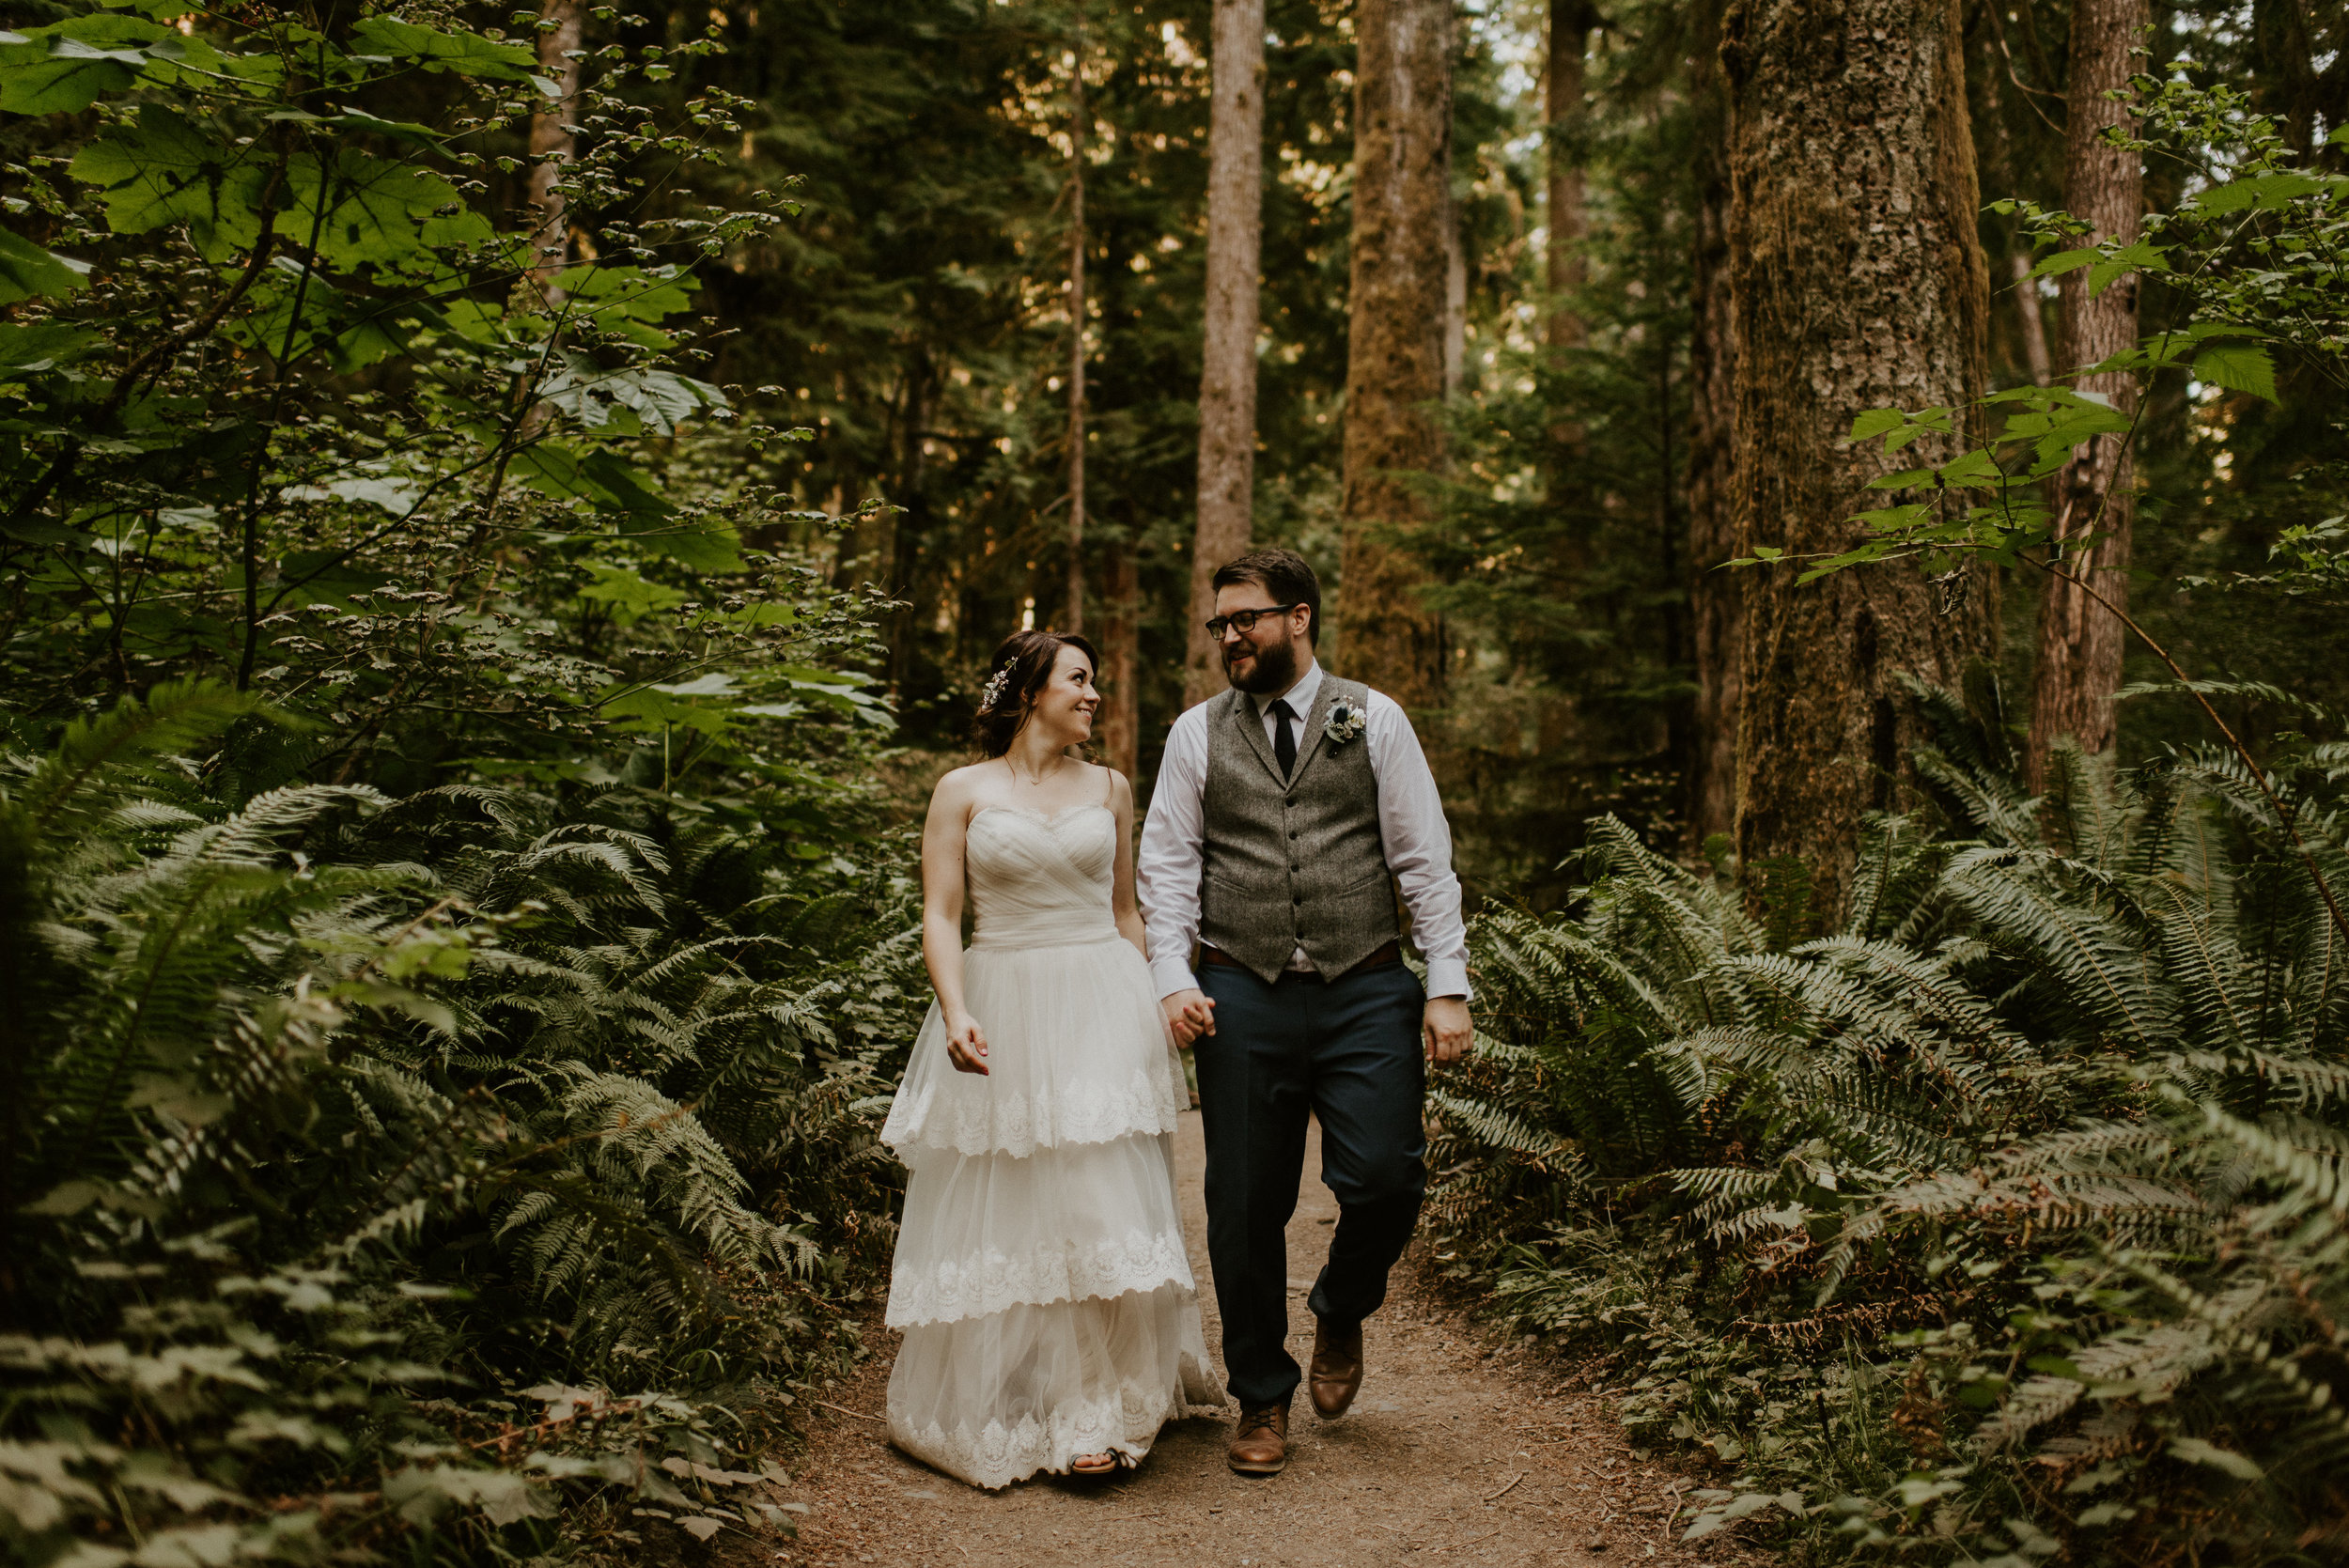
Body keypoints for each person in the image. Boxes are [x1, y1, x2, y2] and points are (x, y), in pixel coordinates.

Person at [1137, 547, 1473, 1477]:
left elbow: (1422, 860)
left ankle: (1339, 1305)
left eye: (1245, 618)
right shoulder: (1195, 734)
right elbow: (1164, 872)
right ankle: (1260, 1394)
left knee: (1387, 1179)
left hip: (1364, 984)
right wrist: (1173, 977)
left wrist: (1445, 983)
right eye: (1220, 624)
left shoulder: (1376, 720)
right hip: (1239, 987)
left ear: (1300, 618)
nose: (1229, 636)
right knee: (1243, 1203)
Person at [879, 629, 1224, 1489]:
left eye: (1095, 680)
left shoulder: (1110, 787)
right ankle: (1028, 1386)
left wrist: (1159, 995)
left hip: (1103, 999)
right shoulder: (961, 790)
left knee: (1099, 1199)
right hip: (1004, 999)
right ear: (1031, 689)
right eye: (1079, 678)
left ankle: (1093, 1409)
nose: (1094, 694)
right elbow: (941, 915)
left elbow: (1126, 913)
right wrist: (956, 1010)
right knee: (1026, 1204)